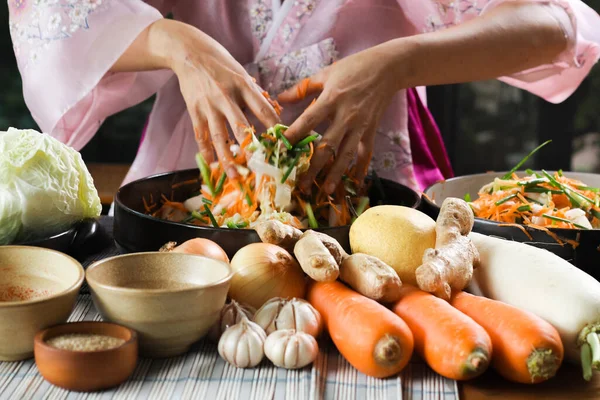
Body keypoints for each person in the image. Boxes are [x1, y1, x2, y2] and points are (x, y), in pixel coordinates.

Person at [7, 0, 600, 197]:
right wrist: (172, 40)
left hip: (368, 182)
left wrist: (398, 61)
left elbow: (554, 24)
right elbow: (49, 13)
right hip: (194, 178)